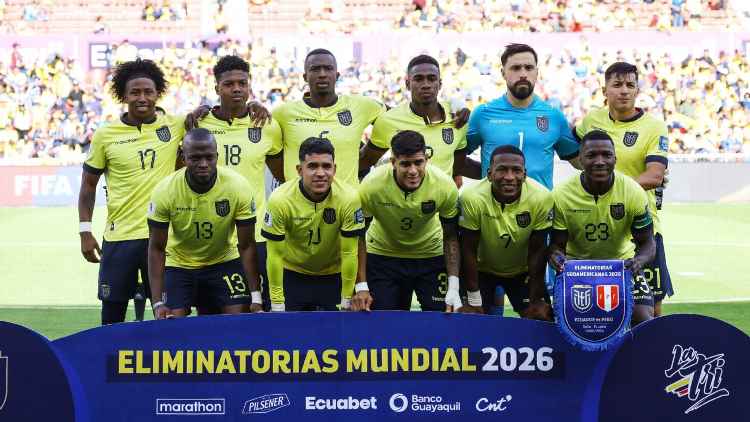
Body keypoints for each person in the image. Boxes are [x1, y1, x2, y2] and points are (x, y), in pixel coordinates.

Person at [466, 43, 581, 314]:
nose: (522, 73)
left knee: (539, 303)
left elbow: (578, 160)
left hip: (539, 219)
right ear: (503, 73)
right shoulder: (484, 114)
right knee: (488, 306)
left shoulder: (552, 117)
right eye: (515, 68)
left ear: (537, 73)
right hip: (492, 218)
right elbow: (457, 157)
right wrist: (488, 175)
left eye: (529, 68)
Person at [78, 58, 186, 325]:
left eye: (148, 91)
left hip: (164, 238)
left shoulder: (176, 125)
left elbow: (218, 114)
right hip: (120, 237)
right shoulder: (106, 135)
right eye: (135, 92)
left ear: (157, 93)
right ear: (123, 95)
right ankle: (107, 366)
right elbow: (88, 185)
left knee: (170, 315)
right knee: (112, 316)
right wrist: (84, 230)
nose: (142, 97)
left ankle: (167, 366)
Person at [574, 62, 672, 316]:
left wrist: (612, 189)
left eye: (630, 85)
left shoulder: (653, 126)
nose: (624, 91)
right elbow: (573, 153)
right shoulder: (592, 120)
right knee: (598, 307)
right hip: (597, 225)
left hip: (642, 225)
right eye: (617, 85)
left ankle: (652, 355)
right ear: (604, 89)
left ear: (638, 89)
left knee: (651, 308)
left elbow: (654, 175)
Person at [197, 55, 283, 312]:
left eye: (242, 83)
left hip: (256, 234)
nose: (236, 89)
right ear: (216, 89)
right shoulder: (199, 123)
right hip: (213, 235)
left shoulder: (266, 124)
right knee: (212, 312)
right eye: (229, 84)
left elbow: (282, 175)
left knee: (259, 310)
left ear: (249, 87)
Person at [147, 129, 262, 318]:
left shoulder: (238, 186)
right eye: (195, 158)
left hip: (224, 261)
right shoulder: (165, 191)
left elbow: (247, 245)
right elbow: (157, 248)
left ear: (217, 156)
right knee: (170, 326)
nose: (203, 164)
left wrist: (256, 297)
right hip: (180, 265)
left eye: (209, 157)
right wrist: (158, 302)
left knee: (238, 324)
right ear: (183, 158)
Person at [548, 130, 656, 326]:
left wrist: (639, 261)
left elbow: (648, 242)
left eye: (606, 155)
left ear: (615, 158)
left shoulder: (632, 191)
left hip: (622, 267)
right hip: (577, 271)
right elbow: (556, 245)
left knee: (644, 321)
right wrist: (557, 259)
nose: (600, 161)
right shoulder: (561, 195)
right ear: (580, 159)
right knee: (567, 325)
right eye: (591, 156)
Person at [262, 137, 371, 311]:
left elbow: (350, 252)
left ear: (334, 169)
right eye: (312, 166)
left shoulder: (349, 198)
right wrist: (277, 304)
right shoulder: (280, 200)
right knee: (287, 335)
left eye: (326, 166)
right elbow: (274, 256)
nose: (320, 173)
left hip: (334, 274)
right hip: (292, 273)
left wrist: (346, 299)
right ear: (299, 170)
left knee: (336, 336)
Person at [358, 130, 462, 311]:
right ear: (393, 163)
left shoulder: (444, 186)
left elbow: (451, 236)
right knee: (385, 324)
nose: (413, 171)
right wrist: (361, 285)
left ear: (426, 160)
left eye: (418, 162)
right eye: (405, 164)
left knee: (440, 320)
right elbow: (358, 236)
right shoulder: (371, 185)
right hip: (383, 256)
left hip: (430, 255)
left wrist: (453, 285)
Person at [459, 145, 553, 319]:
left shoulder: (542, 197)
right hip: (481, 270)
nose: (509, 177)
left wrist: (535, 298)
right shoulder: (471, 197)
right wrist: (473, 299)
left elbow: (538, 251)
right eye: (502, 170)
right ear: (489, 174)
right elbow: (468, 249)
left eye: (516, 171)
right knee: (469, 319)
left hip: (521, 271)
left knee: (542, 316)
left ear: (524, 175)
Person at [270, 49, 385, 187]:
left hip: (345, 204)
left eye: (328, 69)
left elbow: (395, 117)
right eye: (315, 69)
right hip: (297, 204)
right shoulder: (283, 113)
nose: (322, 74)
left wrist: (373, 151)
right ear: (305, 77)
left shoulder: (361, 106)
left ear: (337, 75)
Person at [360, 54, 478, 186]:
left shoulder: (457, 118)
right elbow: (366, 159)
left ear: (440, 84)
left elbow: (458, 164)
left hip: (442, 203)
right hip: (402, 203)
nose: (426, 85)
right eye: (418, 79)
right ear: (407, 84)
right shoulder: (389, 120)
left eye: (431, 79)